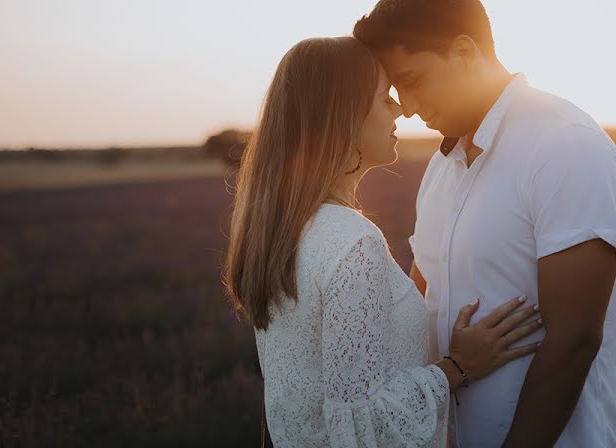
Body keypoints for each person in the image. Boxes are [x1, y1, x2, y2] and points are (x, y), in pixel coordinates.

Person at [353, 0, 616, 447]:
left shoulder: (565, 145)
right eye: (398, 92)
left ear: (463, 53)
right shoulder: (443, 169)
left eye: (414, 81)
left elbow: (574, 341)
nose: (410, 107)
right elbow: (425, 302)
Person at [222, 36, 543, 447]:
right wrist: (458, 367)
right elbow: (361, 421)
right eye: (383, 96)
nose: (399, 108)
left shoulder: (285, 232)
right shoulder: (352, 242)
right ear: (344, 116)